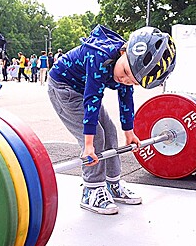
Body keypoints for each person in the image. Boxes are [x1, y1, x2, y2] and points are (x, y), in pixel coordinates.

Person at [47, 25, 176, 215]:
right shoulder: (99, 55)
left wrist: (129, 133)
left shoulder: (129, 68)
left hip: (82, 90)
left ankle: (112, 184)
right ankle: (91, 189)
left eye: (132, 81)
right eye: (124, 72)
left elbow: (126, 99)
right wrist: (88, 145)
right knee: (97, 136)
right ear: (123, 51)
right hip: (63, 90)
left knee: (110, 131)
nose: (124, 79)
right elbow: (93, 98)